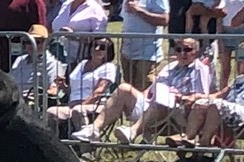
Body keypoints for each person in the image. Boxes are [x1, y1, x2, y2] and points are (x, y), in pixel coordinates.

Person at [72, 37, 214, 144]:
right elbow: (152, 89)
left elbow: (202, 96)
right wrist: (142, 96)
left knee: (163, 98)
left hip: (177, 112)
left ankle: (133, 131)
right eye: (179, 49)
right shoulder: (169, 67)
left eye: (187, 50)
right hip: (153, 106)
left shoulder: (200, 69)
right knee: (124, 88)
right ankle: (94, 130)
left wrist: (181, 96)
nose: (183, 53)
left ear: (195, 52)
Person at [167, 41, 244, 151]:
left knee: (216, 105)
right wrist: (197, 97)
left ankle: (204, 141)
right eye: (240, 56)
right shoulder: (239, 79)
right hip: (226, 111)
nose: (243, 61)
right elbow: (219, 94)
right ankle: (189, 138)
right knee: (201, 103)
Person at [47, 37, 118, 137]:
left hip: (95, 106)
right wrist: (63, 86)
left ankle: (86, 149)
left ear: (108, 52)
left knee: (78, 111)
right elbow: (72, 90)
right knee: (51, 112)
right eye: (94, 45)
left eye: (102, 47)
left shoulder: (108, 67)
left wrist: (82, 105)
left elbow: (98, 92)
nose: (97, 48)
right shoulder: (82, 64)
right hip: (72, 105)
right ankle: (55, 146)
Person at [119, 0, 170, 91]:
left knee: (145, 91)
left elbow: (164, 20)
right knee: (129, 91)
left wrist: (139, 10)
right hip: (128, 51)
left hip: (147, 53)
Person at [50, 0, 107, 65]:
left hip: (82, 61)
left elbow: (99, 41)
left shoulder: (95, 9)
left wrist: (75, 37)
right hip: (59, 59)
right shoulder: (66, 4)